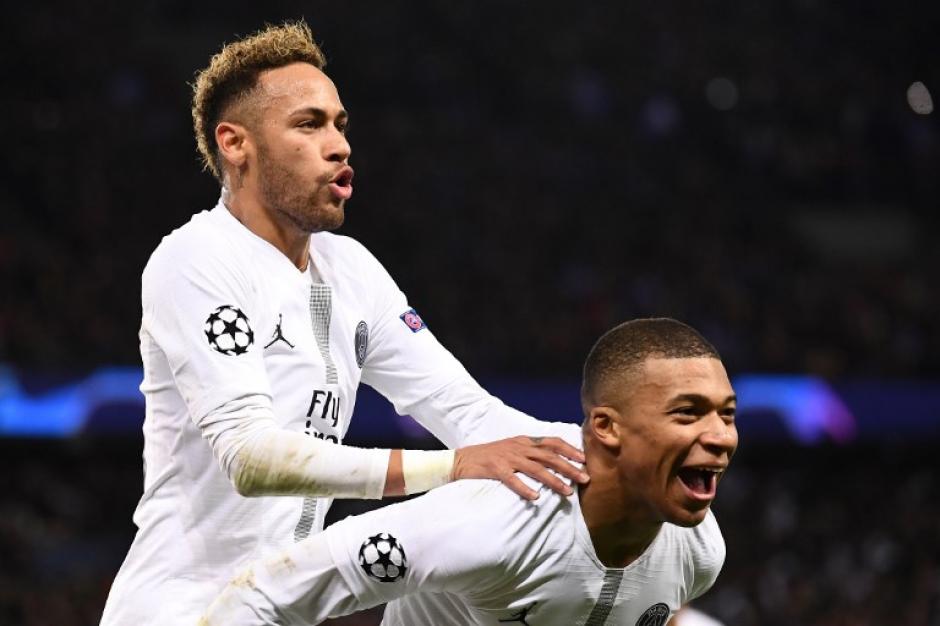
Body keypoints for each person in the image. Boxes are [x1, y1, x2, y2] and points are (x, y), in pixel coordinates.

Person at [99, 21, 588, 625]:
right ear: (235, 143)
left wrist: (601, 456)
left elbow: (467, 412)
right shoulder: (196, 259)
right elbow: (251, 459)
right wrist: (451, 467)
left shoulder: (350, 269)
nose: (339, 145)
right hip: (180, 609)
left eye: (340, 124)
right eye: (309, 124)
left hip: (279, 607)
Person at [201, 317, 738, 625]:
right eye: (687, 413)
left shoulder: (700, 554)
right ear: (606, 428)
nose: (719, 437)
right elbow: (269, 591)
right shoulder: (498, 516)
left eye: (726, 414)